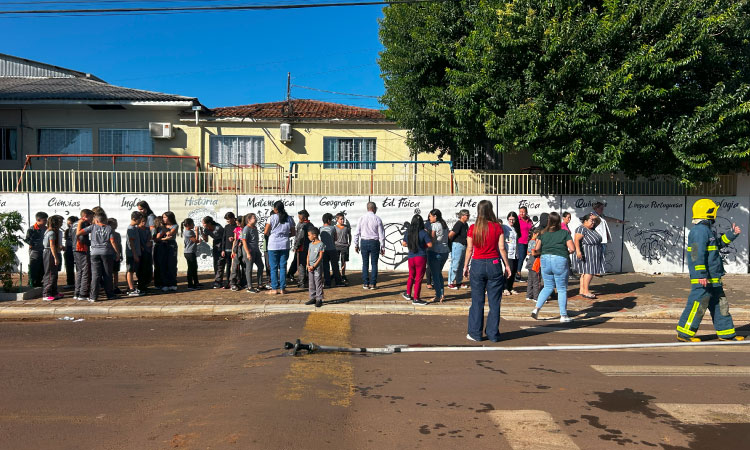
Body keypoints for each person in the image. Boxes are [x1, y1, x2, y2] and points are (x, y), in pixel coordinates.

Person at [677, 199, 745, 342]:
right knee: (697, 305)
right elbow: (697, 253)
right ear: (709, 212)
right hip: (704, 278)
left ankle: (726, 334)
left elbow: (717, 245)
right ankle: (684, 334)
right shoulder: (699, 231)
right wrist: (701, 274)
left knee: (720, 305)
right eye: (714, 210)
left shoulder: (706, 230)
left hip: (713, 278)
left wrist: (732, 234)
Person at [463, 200, 512, 342]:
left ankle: (475, 333)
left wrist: (465, 266)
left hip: (477, 264)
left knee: (477, 301)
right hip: (494, 263)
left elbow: (469, 249)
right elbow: (502, 248)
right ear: (491, 210)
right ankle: (492, 334)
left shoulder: (473, 228)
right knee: (494, 301)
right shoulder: (498, 227)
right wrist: (507, 265)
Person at [531, 212, 575, 323]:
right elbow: (572, 248)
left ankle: (536, 309)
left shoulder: (543, 233)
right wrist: (566, 252)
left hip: (545, 259)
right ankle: (563, 315)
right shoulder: (564, 233)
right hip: (560, 259)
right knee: (561, 289)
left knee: (547, 286)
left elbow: (536, 248)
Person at [78, 211, 119, 302]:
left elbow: (79, 233)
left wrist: (80, 224)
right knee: (107, 274)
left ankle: (93, 296)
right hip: (106, 253)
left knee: (96, 275)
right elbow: (112, 241)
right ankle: (110, 295)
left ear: (96, 220)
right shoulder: (109, 228)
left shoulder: (92, 227)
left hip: (94, 253)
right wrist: (117, 252)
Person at [264, 200, 295, 295]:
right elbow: (293, 232)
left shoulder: (271, 218)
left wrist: (273, 235)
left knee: (273, 268)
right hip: (284, 244)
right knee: (283, 267)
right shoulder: (289, 218)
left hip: (273, 245)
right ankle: (282, 288)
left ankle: (274, 288)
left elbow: (266, 232)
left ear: (275, 209)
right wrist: (285, 236)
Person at [401, 214, 432, 305]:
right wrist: (422, 245)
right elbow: (430, 244)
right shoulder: (423, 232)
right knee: (418, 278)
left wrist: (411, 245)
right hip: (421, 257)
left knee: (411, 276)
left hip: (411, 257)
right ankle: (416, 298)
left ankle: (408, 294)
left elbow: (404, 243)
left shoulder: (408, 232)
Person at [354, 202, 385, 290]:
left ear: (367, 208)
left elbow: (357, 233)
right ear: (374, 208)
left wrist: (356, 244)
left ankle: (365, 283)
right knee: (374, 264)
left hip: (363, 241)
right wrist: (383, 247)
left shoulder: (361, 218)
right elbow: (381, 235)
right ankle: (373, 284)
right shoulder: (377, 219)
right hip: (374, 242)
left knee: (365, 263)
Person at [574, 213, 604, 299]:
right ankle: (586, 291)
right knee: (589, 272)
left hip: (594, 252)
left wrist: (594, 217)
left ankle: (582, 290)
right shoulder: (582, 228)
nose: (593, 222)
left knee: (585, 272)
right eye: (591, 221)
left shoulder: (592, 228)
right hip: (587, 253)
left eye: (594, 221)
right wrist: (578, 251)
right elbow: (576, 240)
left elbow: (599, 221)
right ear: (585, 221)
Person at [592, 201, 626, 273]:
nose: (602, 210)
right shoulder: (592, 216)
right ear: (596, 208)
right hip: (597, 239)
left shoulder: (601, 216)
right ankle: (596, 271)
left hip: (602, 239)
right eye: (601, 208)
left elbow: (609, 219)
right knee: (597, 255)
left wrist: (619, 221)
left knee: (602, 254)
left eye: (602, 208)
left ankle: (599, 270)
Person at [426, 209, 450, 303]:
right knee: (438, 273)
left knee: (435, 275)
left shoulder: (434, 225)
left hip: (435, 251)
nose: (429, 218)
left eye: (430, 216)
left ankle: (438, 295)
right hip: (445, 251)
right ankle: (441, 293)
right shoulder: (444, 225)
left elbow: (432, 239)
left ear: (435, 216)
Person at [73, 209, 93, 301]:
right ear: (85, 215)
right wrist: (90, 243)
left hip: (75, 249)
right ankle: (83, 294)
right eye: (90, 217)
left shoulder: (75, 223)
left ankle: (77, 292)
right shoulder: (83, 223)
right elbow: (81, 237)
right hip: (81, 248)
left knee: (79, 271)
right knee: (85, 271)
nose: (91, 219)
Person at [42, 215, 63, 301]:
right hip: (49, 253)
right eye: (60, 222)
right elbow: (52, 245)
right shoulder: (51, 233)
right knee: (50, 273)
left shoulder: (50, 232)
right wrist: (56, 257)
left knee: (54, 274)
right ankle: (46, 293)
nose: (61, 224)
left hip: (50, 252)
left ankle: (54, 292)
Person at [200, 216, 225, 289]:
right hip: (215, 244)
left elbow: (224, 237)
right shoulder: (206, 229)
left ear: (209, 223)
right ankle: (218, 280)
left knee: (220, 263)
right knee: (216, 263)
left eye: (204, 223)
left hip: (222, 243)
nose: (203, 225)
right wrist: (202, 233)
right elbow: (206, 240)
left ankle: (218, 281)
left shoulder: (218, 228)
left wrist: (223, 248)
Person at [24, 211, 47, 288]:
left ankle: (39, 282)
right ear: (38, 220)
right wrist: (31, 244)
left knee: (42, 266)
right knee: (34, 266)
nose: (46, 222)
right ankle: (31, 282)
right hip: (34, 250)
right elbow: (27, 239)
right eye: (44, 220)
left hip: (43, 250)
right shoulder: (32, 229)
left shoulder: (46, 228)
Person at [241, 213, 264, 293]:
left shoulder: (254, 228)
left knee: (261, 266)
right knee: (249, 268)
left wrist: (258, 250)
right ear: (249, 220)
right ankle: (249, 286)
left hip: (256, 250)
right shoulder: (246, 229)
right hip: (249, 251)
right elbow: (244, 241)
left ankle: (260, 284)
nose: (256, 219)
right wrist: (247, 253)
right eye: (254, 218)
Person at [448, 209, 470, 290]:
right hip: (457, 245)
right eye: (467, 215)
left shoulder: (465, 224)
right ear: (462, 216)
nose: (468, 216)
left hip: (463, 245)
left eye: (468, 215)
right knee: (455, 264)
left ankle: (458, 282)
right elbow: (450, 235)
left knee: (461, 265)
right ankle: (450, 282)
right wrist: (451, 244)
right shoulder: (459, 224)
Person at [320, 213, 343, 288]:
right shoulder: (333, 228)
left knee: (326, 267)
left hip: (324, 250)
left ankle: (327, 283)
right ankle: (338, 282)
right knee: (335, 266)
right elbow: (335, 238)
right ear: (329, 220)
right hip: (332, 249)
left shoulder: (320, 228)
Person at [136, 201, 156, 289]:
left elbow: (153, 230)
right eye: (139, 210)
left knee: (147, 264)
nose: (141, 211)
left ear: (146, 208)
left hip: (147, 244)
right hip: (142, 245)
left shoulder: (150, 217)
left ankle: (146, 281)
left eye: (142, 209)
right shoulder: (142, 218)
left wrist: (150, 240)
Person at [304, 227, 325, 308]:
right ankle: (312, 297)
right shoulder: (310, 244)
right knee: (311, 282)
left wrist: (314, 266)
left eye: (309, 235)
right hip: (310, 267)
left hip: (317, 267)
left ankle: (319, 298)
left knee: (318, 282)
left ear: (315, 235)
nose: (308, 237)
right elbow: (308, 255)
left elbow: (320, 257)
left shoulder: (321, 244)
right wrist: (308, 265)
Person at [293, 210, 313, 288]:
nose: (298, 218)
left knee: (301, 265)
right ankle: (309, 280)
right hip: (309, 248)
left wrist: (296, 246)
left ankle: (302, 282)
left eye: (299, 217)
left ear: (304, 217)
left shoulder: (302, 225)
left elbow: (299, 237)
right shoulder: (311, 224)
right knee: (308, 264)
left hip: (302, 248)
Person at [216, 212, 237, 289]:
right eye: (227, 220)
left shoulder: (237, 226)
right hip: (227, 249)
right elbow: (223, 239)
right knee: (228, 266)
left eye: (229, 219)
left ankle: (235, 282)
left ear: (233, 218)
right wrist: (223, 250)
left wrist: (234, 239)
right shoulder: (226, 227)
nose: (228, 221)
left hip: (235, 249)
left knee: (235, 266)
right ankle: (228, 282)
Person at [125, 211, 143, 297]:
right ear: (134, 219)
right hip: (131, 254)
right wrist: (135, 254)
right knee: (130, 271)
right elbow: (131, 243)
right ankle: (131, 289)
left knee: (133, 270)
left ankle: (132, 287)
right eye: (139, 219)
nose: (140, 221)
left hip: (136, 252)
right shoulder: (130, 229)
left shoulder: (135, 228)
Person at [503, 211, 520, 296]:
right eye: (510, 219)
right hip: (508, 252)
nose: (512, 221)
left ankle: (510, 287)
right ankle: (505, 287)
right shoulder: (505, 227)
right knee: (509, 269)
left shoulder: (515, 228)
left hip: (515, 252)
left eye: (513, 219)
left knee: (514, 270)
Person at [181, 217, 200, 291]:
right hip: (189, 252)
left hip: (190, 252)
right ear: (188, 225)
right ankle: (190, 284)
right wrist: (197, 232)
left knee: (194, 267)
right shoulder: (189, 232)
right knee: (191, 268)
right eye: (192, 224)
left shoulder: (188, 231)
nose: (194, 225)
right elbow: (196, 241)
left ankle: (196, 283)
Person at [516, 206, 533, 280]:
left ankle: (518, 273)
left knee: (524, 257)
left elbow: (531, 229)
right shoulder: (517, 220)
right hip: (520, 241)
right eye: (520, 212)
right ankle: (517, 274)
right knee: (521, 257)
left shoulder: (529, 220)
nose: (522, 213)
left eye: (523, 212)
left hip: (528, 242)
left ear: (526, 212)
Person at [136, 214, 152, 293]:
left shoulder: (147, 229)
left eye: (145, 221)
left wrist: (149, 241)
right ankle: (140, 285)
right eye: (142, 221)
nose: (144, 223)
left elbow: (150, 237)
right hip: (141, 252)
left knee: (147, 268)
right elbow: (136, 240)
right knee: (141, 269)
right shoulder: (137, 229)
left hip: (147, 251)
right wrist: (141, 247)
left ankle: (146, 284)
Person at [334, 213, 352, 284]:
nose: (342, 220)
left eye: (343, 219)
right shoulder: (334, 227)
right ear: (337, 219)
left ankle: (343, 275)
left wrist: (349, 243)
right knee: (336, 261)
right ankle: (337, 274)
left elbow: (349, 235)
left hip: (344, 246)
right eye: (341, 219)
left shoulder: (346, 227)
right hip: (336, 246)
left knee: (343, 261)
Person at [525, 227, 542, 302]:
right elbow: (533, 252)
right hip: (535, 263)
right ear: (535, 234)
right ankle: (536, 297)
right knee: (536, 281)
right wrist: (541, 252)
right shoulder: (534, 242)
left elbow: (528, 252)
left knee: (530, 280)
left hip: (530, 262)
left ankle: (529, 295)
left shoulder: (530, 241)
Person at [108, 218, 123, 294]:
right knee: (109, 272)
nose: (116, 225)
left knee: (116, 272)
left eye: (116, 223)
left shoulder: (117, 234)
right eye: (114, 224)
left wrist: (121, 254)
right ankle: (110, 286)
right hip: (110, 255)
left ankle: (116, 286)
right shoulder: (107, 234)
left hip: (116, 255)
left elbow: (120, 245)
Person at [63, 216, 77, 288]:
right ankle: (70, 282)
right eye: (68, 224)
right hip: (68, 249)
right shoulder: (67, 231)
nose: (69, 225)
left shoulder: (78, 230)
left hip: (76, 249)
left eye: (71, 223)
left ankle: (80, 282)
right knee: (69, 267)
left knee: (79, 267)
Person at [152, 216, 165, 289]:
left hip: (161, 247)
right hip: (157, 247)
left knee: (161, 265)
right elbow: (155, 239)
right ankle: (157, 283)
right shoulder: (156, 229)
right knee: (158, 266)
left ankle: (160, 282)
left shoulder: (160, 229)